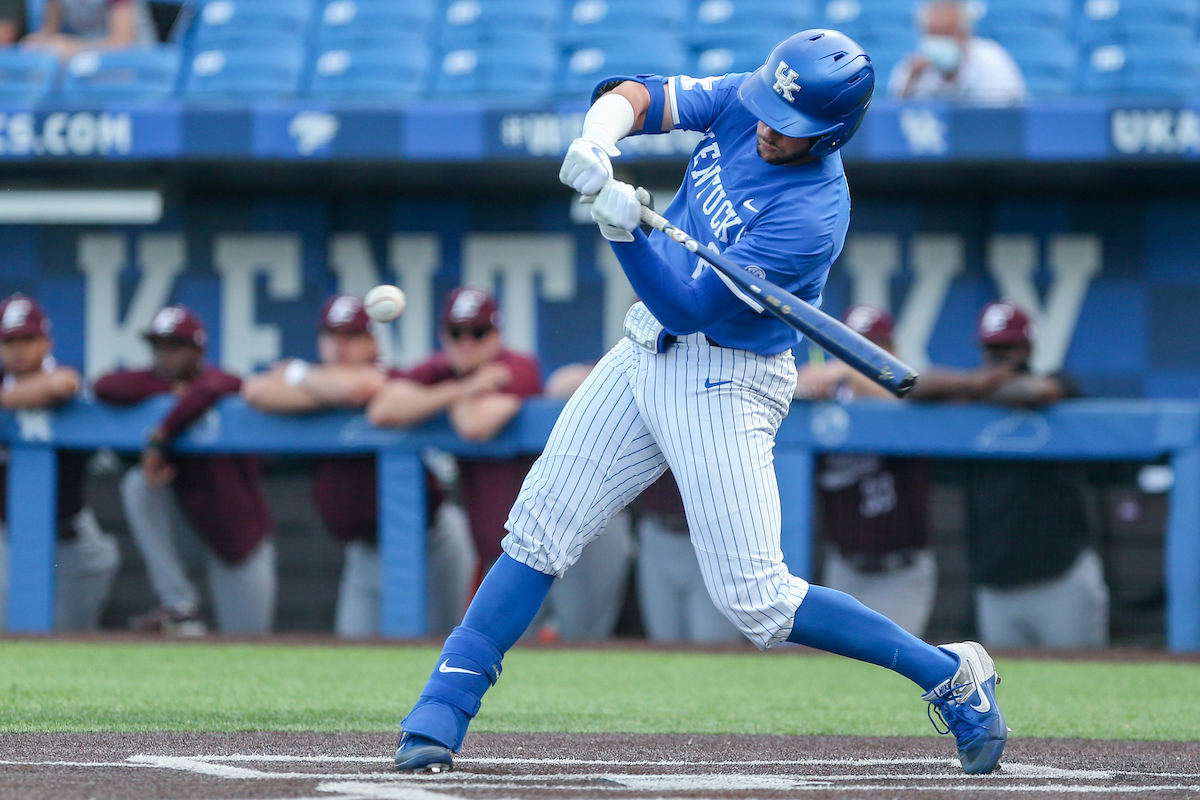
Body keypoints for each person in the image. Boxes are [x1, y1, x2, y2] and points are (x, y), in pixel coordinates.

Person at [391, 30, 1007, 777]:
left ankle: (946, 672)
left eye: (793, 128)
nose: (771, 131)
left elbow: (689, 307)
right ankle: (442, 710)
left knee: (759, 602)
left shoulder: (811, 215)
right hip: (643, 346)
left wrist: (624, 236)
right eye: (770, 113)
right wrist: (598, 138)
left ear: (834, 132)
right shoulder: (757, 97)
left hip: (727, 376)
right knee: (539, 528)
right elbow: (641, 93)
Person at [241, 294, 476, 638]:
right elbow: (256, 390)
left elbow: (358, 388)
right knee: (354, 649)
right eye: (332, 335)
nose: (340, 345)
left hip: (429, 540)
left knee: (443, 646)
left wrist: (295, 373)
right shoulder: (316, 381)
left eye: (351, 336)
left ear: (372, 341)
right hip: (364, 551)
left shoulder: (384, 374)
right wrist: (315, 384)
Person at [908, 299, 1110, 648]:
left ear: (1028, 347)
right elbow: (911, 387)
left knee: (1084, 686)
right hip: (996, 587)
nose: (1001, 357)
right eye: (993, 348)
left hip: (1061, 579)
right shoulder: (971, 391)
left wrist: (978, 389)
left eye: (1009, 348)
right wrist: (976, 383)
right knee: (1008, 693)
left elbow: (1038, 392)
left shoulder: (1057, 381)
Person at [93, 305, 275, 635]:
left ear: (198, 350)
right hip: (186, 527)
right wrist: (171, 396)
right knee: (138, 485)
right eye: (158, 347)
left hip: (236, 534)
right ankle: (179, 605)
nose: (165, 356)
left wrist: (162, 435)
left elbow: (219, 385)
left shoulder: (220, 382)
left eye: (175, 346)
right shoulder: (154, 384)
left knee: (248, 646)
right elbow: (105, 385)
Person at [367, 287, 542, 575]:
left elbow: (473, 425)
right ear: (443, 334)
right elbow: (382, 410)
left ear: (496, 335)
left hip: (566, 539)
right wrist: (464, 388)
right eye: (457, 332)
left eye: (478, 332)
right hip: (503, 551)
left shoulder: (517, 365)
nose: (466, 342)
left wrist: (438, 398)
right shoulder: (443, 371)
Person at [796, 306, 935, 639]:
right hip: (844, 568)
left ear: (893, 353)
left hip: (901, 571)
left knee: (895, 669)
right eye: (851, 347)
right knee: (839, 677)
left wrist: (842, 371)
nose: (858, 358)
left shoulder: (905, 396)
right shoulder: (828, 401)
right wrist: (810, 384)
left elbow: (907, 392)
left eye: (869, 348)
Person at [0, 293, 120, 630]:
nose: (19, 348)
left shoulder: (65, 376)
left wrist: (9, 400)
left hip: (71, 534)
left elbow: (62, 384)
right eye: (9, 340)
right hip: (8, 538)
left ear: (46, 342)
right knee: (12, 631)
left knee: (71, 636)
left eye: (28, 338)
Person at [888, 0, 1026, 106]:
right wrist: (911, 83)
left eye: (948, 33)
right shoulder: (911, 70)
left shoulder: (993, 61)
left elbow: (1013, 115)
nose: (941, 41)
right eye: (934, 33)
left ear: (965, 34)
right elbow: (891, 123)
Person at [21, 0, 156, 60]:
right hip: (85, 60)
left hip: (134, 60)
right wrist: (37, 42)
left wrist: (75, 48)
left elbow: (122, 42)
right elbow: (49, 32)